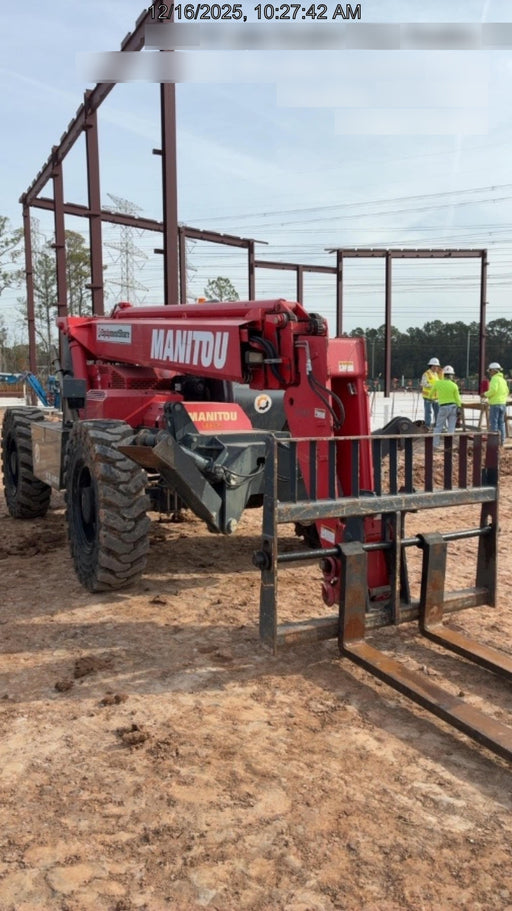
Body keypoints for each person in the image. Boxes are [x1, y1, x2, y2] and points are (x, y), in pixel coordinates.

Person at [432, 365, 462, 448]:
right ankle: (449, 445)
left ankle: (435, 445)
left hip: (443, 407)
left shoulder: (437, 383)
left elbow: (431, 394)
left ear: (443, 374)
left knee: (438, 427)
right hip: (453, 407)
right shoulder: (454, 385)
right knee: (451, 427)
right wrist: (459, 407)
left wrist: (435, 399)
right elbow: (458, 399)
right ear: (452, 375)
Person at [483, 362, 509, 445]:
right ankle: (502, 441)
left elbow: (493, 390)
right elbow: (507, 391)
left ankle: (494, 442)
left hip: (495, 404)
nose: (489, 372)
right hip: (502, 404)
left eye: (490, 370)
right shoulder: (503, 380)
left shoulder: (494, 379)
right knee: (501, 423)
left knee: (493, 423)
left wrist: (485, 394)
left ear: (494, 371)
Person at [420, 357, 441, 428]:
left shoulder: (436, 375)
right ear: (431, 366)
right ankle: (427, 425)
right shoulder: (426, 374)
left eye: (437, 366)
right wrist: (433, 386)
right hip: (428, 397)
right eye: (434, 366)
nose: (436, 368)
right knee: (428, 412)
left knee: (437, 412)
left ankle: (437, 425)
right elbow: (423, 383)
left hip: (436, 397)